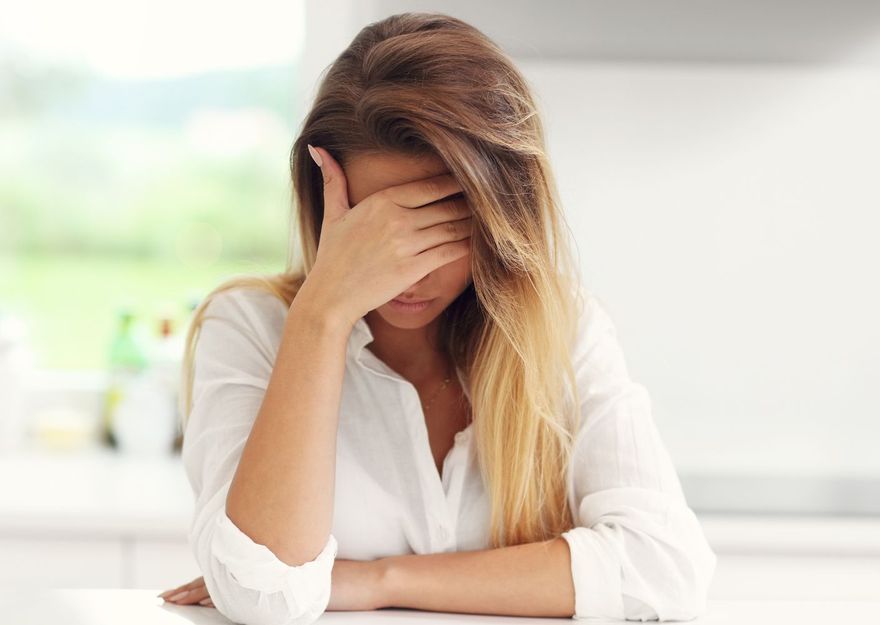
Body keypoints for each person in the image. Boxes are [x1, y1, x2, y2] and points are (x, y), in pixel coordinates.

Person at [158, 11, 716, 625]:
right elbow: (263, 598)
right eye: (375, 238)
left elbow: (664, 570)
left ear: (502, 222)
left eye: (440, 233)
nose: (408, 276)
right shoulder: (254, 327)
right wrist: (324, 312)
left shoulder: (564, 329)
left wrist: (377, 580)